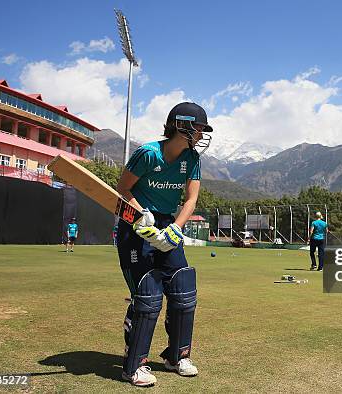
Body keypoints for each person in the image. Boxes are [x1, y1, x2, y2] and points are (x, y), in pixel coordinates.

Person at [116, 102, 212, 386]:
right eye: (198, 127)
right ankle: (134, 365)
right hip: (135, 223)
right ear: (180, 125)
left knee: (183, 285)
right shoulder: (148, 154)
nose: (201, 133)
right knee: (148, 294)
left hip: (168, 222)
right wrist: (140, 217)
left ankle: (176, 356)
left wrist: (174, 229)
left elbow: (191, 199)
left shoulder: (192, 158)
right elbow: (122, 189)